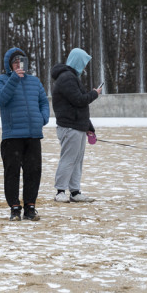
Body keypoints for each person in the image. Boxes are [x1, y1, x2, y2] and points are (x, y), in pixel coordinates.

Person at [0, 47, 50, 221]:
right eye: (15, 61)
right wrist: (14, 79)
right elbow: (0, 99)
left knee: (33, 171)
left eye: (21, 61)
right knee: (12, 173)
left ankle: (30, 207)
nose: (19, 64)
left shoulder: (34, 81)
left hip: (33, 135)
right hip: (12, 136)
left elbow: (44, 103)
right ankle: (14, 208)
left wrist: (42, 119)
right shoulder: (1, 81)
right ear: (9, 65)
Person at [51, 47, 102, 203]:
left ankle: (74, 191)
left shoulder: (71, 77)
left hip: (77, 126)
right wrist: (95, 93)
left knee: (77, 159)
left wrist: (88, 127)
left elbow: (79, 107)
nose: (84, 67)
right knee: (68, 159)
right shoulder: (67, 78)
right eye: (83, 63)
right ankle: (60, 191)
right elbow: (79, 100)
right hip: (69, 127)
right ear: (77, 61)